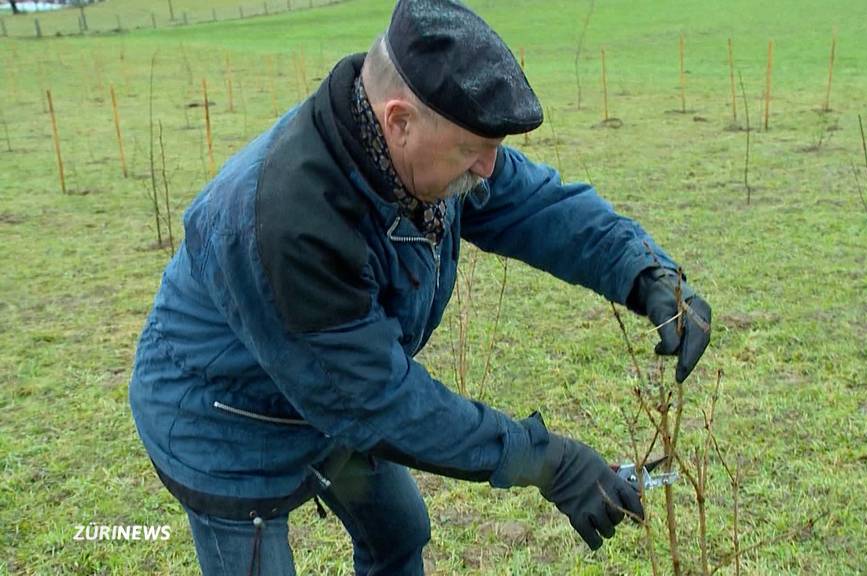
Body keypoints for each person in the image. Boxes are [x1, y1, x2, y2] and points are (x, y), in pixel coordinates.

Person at [127, 0, 712, 574]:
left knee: (399, 532)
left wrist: (647, 274)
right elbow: (378, 402)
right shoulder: (289, 222)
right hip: (223, 420)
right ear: (399, 120)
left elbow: (536, 207)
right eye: (473, 149)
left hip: (331, 392)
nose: (489, 168)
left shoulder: (431, 151)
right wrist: (548, 461)